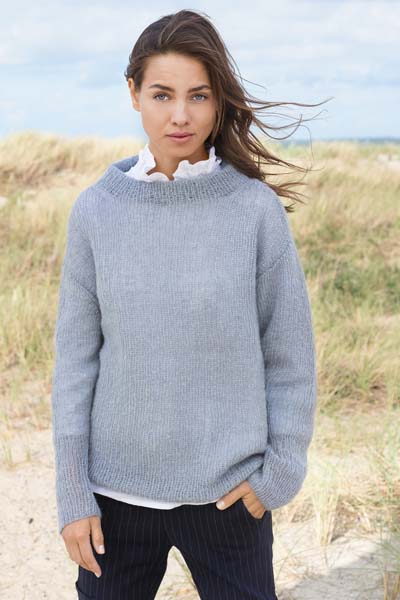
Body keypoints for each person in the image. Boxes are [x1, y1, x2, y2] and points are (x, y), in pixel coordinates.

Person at [51, 9, 325, 600]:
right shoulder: (95, 210)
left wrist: (279, 473)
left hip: (229, 498)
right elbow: (75, 364)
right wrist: (73, 494)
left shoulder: (254, 210)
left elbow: (289, 353)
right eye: (162, 94)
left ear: (218, 100)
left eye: (198, 95)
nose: (180, 115)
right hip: (113, 500)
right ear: (133, 94)